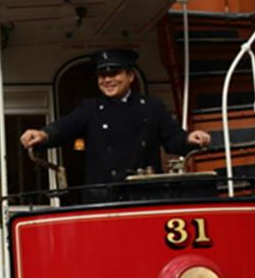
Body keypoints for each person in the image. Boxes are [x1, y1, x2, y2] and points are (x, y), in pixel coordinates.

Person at [19, 49, 211, 201]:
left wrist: (190, 139)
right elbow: (64, 127)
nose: (107, 80)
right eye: (102, 75)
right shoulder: (90, 108)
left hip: (144, 196)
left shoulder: (152, 107)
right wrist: (43, 134)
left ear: (130, 76)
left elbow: (174, 139)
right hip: (103, 200)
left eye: (114, 73)